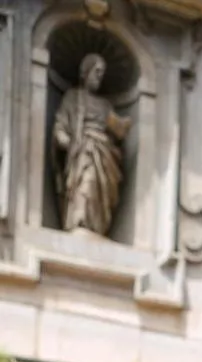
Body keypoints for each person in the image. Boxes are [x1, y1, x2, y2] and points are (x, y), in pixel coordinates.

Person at [53, 53, 131, 237]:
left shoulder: (104, 105)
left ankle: (95, 225)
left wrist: (124, 125)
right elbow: (60, 124)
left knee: (99, 185)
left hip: (102, 151)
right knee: (86, 182)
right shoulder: (73, 97)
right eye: (96, 72)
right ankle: (79, 221)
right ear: (85, 72)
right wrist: (65, 140)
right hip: (82, 149)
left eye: (101, 73)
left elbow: (118, 128)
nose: (99, 77)